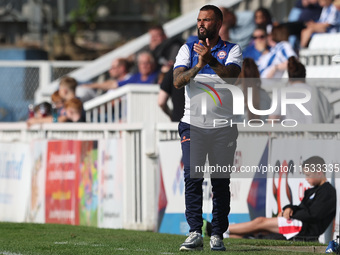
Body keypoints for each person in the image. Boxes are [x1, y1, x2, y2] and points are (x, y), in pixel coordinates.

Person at [173, 5, 242, 251]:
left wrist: (209, 58)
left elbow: (230, 76)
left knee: (220, 182)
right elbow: (178, 81)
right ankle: (194, 232)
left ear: (219, 23)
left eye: (207, 20)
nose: (202, 23)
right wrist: (198, 65)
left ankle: (217, 234)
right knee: (193, 177)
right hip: (193, 125)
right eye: (199, 19)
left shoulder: (232, 49)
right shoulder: (186, 49)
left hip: (223, 127)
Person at [226, 156, 336, 241]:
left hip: (303, 229)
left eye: (308, 175)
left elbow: (313, 215)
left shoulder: (328, 192)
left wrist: (289, 214)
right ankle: (222, 234)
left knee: (260, 222)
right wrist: (288, 208)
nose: (306, 178)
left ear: (319, 173)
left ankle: (219, 229)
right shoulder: (311, 190)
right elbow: (301, 208)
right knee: (257, 232)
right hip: (297, 223)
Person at [268, 56, 334, 123]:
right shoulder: (318, 93)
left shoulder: (282, 93)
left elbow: (272, 120)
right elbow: (329, 117)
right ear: (304, 75)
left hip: (290, 132)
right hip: (315, 133)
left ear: (289, 77)